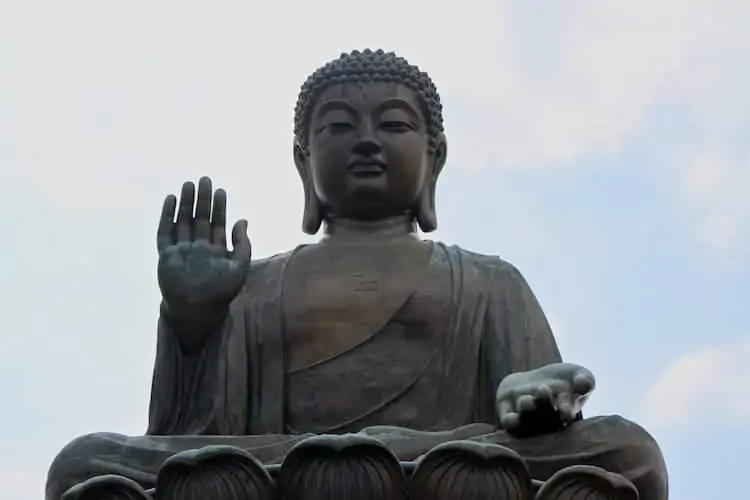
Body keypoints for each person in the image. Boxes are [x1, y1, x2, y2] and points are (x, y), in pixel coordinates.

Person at [47, 49, 668, 500]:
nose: (367, 141)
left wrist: (538, 395)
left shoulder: (488, 281)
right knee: (83, 464)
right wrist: (194, 322)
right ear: (303, 161)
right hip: (289, 467)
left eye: (394, 125)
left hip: (446, 464)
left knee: (628, 452)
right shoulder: (252, 285)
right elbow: (191, 437)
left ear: (434, 158)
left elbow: (538, 404)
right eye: (339, 127)